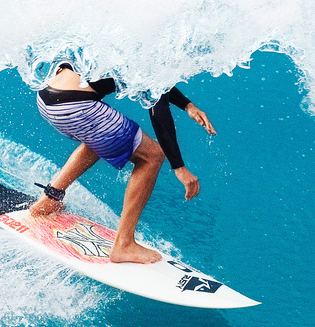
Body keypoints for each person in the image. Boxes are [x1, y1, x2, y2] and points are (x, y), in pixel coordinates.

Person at [30, 62, 216, 264]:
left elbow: (155, 82)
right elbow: (159, 111)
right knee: (151, 156)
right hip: (77, 106)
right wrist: (179, 168)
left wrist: (187, 105)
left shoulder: (138, 38)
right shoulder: (153, 53)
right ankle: (124, 245)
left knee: (100, 137)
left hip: (48, 98)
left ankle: (48, 201)